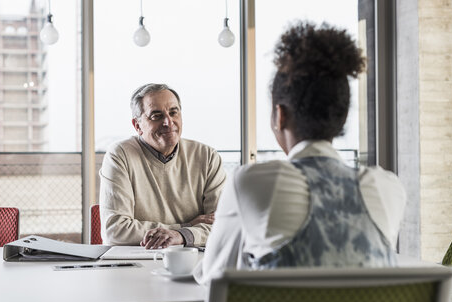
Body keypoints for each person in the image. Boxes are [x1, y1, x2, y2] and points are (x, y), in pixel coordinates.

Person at [194, 22, 406, 285]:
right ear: (341, 118)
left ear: (279, 116)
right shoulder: (387, 188)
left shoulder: (253, 182)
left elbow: (215, 276)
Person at [99, 83, 226, 248]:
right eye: (156, 116)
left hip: (192, 261)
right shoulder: (120, 155)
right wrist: (184, 229)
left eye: (174, 112)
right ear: (137, 126)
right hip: (137, 261)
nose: (168, 122)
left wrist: (180, 235)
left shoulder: (207, 156)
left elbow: (224, 225)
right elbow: (115, 230)